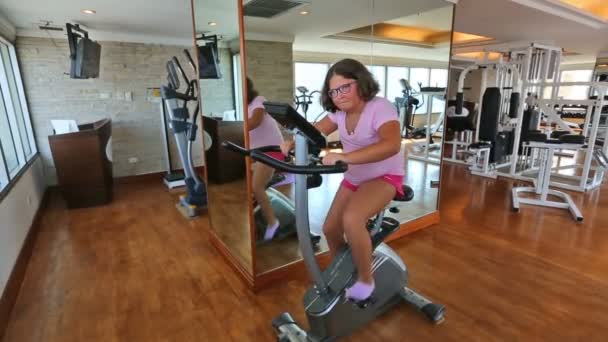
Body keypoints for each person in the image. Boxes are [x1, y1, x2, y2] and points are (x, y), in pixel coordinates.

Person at [281, 58, 404, 302]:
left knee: (352, 218)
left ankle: (366, 280)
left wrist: (345, 156)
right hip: (355, 177)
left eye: (345, 87)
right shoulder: (338, 113)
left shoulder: (380, 107)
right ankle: (346, 271)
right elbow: (313, 131)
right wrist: (292, 141)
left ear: (361, 82)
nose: (339, 95)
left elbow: (392, 144)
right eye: (333, 91)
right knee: (330, 228)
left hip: (384, 176)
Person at [247, 77, 285, 240]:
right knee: (253, 185)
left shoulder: (259, 101)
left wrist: (237, 127)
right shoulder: (245, 106)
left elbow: (255, 121)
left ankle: (272, 222)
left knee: (256, 186)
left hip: (272, 151)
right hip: (258, 153)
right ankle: (275, 179)